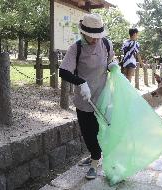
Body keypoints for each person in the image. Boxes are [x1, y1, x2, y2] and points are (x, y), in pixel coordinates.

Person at [59, 13, 117, 179]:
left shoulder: (106, 43)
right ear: (83, 33)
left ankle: (95, 159)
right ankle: (95, 156)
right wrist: (80, 82)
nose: (95, 40)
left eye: (98, 36)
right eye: (92, 37)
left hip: (103, 96)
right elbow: (63, 71)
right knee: (88, 131)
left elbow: (110, 60)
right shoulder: (76, 48)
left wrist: (112, 65)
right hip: (85, 99)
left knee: (100, 130)